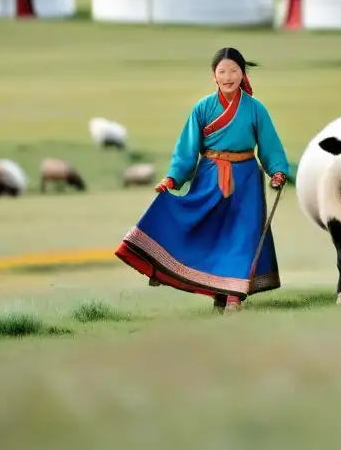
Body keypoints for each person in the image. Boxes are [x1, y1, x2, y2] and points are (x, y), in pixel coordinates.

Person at [114, 47, 290, 313]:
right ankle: (219, 290)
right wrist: (173, 178)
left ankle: (234, 297)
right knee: (212, 234)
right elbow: (187, 150)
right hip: (210, 177)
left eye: (234, 71)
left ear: (242, 74)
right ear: (213, 76)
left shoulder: (255, 109)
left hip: (246, 181)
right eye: (222, 72)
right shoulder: (203, 108)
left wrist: (276, 171)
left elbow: (270, 146)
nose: (228, 77)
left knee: (244, 234)